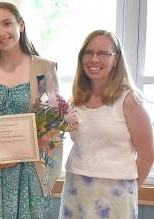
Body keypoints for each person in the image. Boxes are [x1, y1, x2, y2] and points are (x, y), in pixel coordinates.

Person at [0, 2, 62, 218]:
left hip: (29, 173)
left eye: (7, 24)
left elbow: (55, 125)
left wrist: (20, 153)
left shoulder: (44, 69)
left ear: (21, 25)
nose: (1, 32)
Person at [59, 30, 154, 219]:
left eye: (103, 53)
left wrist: (127, 189)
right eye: (89, 52)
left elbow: (147, 153)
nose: (94, 59)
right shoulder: (74, 100)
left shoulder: (129, 100)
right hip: (75, 188)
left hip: (115, 194)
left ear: (116, 59)